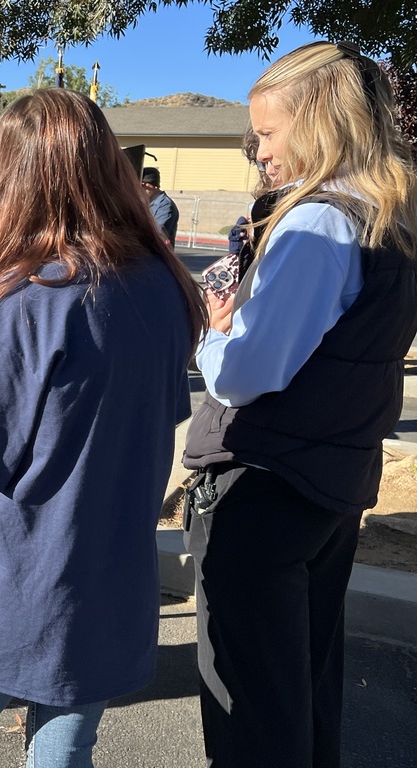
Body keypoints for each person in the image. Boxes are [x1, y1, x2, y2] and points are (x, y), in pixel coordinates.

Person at [0, 88, 205, 768]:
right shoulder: (165, 286)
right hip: (111, 579)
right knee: (64, 756)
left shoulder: (26, 300)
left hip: (14, 583)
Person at [182, 41, 417, 768]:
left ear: (321, 123)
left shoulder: (319, 222)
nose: (259, 151)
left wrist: (213, 338)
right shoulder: (391, 215)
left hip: (266, 485)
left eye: (270, 133)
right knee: (304, 683)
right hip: (332, 483)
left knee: (250, 703)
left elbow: (247, 373)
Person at [140, 167, 179, 246]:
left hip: (156, 255)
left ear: (154, 186)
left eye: (143, 185)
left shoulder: (165, 206)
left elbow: (157, 233)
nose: (140, 189)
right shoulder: (146, 203)